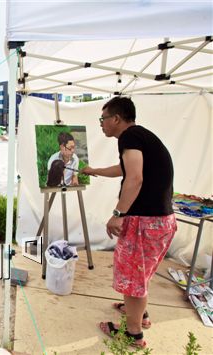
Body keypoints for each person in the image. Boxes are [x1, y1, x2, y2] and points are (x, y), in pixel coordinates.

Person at [81, 97, 176, 348]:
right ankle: (137, 312)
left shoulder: (129, 137)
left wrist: (118, 214)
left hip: (145, 222)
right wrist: (94, 171)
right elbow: (125, 169)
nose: (101, 124)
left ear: (116, 119)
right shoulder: (141, 136)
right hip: (161, 220)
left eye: (103, 119)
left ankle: (133, 333)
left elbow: (135, 178)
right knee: (140, 273)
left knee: (133, 276)